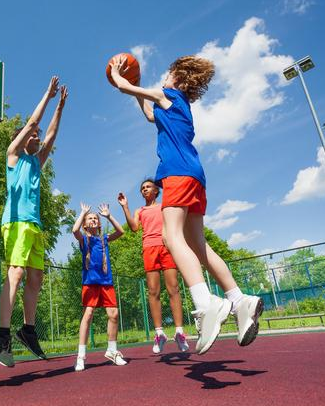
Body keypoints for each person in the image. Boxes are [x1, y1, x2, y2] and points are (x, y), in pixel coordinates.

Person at [110, 55, 263, 355]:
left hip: (177, 173)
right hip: (196, 176)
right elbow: (149, 114)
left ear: (177, 79)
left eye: (167, 75)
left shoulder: (169, 95)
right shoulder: (179, 106)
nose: (163, 79)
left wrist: (118, 75)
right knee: (198, 244)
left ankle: (206, 303)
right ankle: (239, 299)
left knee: (171, 237)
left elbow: (122, 87)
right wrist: (137, 85)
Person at [0, 77, 68, 367]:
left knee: (36, 278)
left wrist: (59, 107)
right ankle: (2, 335)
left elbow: (51, 134)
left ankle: (28, 329)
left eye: (37, 135)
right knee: (17, 273)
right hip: (16, 223)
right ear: (24, 138)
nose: (38, 137)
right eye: (33, 135)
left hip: (34, 225)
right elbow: (34, 123)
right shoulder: (13, 156)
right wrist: (47, 97)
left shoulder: (37, 161)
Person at [118, 180, 189, 353]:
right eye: (142, 188)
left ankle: (179, 332)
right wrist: (125, 206)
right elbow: (134, 228)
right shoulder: (140, 211)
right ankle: (159, 333)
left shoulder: (165, 206)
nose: (144, 189)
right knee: (152, 291)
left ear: (156, 190)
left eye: (148, 186)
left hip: (167, 247)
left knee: (173, 288)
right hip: (149, 248)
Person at [72, 203, 127, 372]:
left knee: (114, 314)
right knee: (88, 315)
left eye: (95, 218)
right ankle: (81, 356)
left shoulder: (104, 239)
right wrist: (82, 213)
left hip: (106, 282)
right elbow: (74, 231)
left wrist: (108, 215)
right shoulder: (84, 240)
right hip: (90, 282)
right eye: (91, 218)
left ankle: (112, 350)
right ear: (85, 224)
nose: (94, 220)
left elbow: (121, 232)